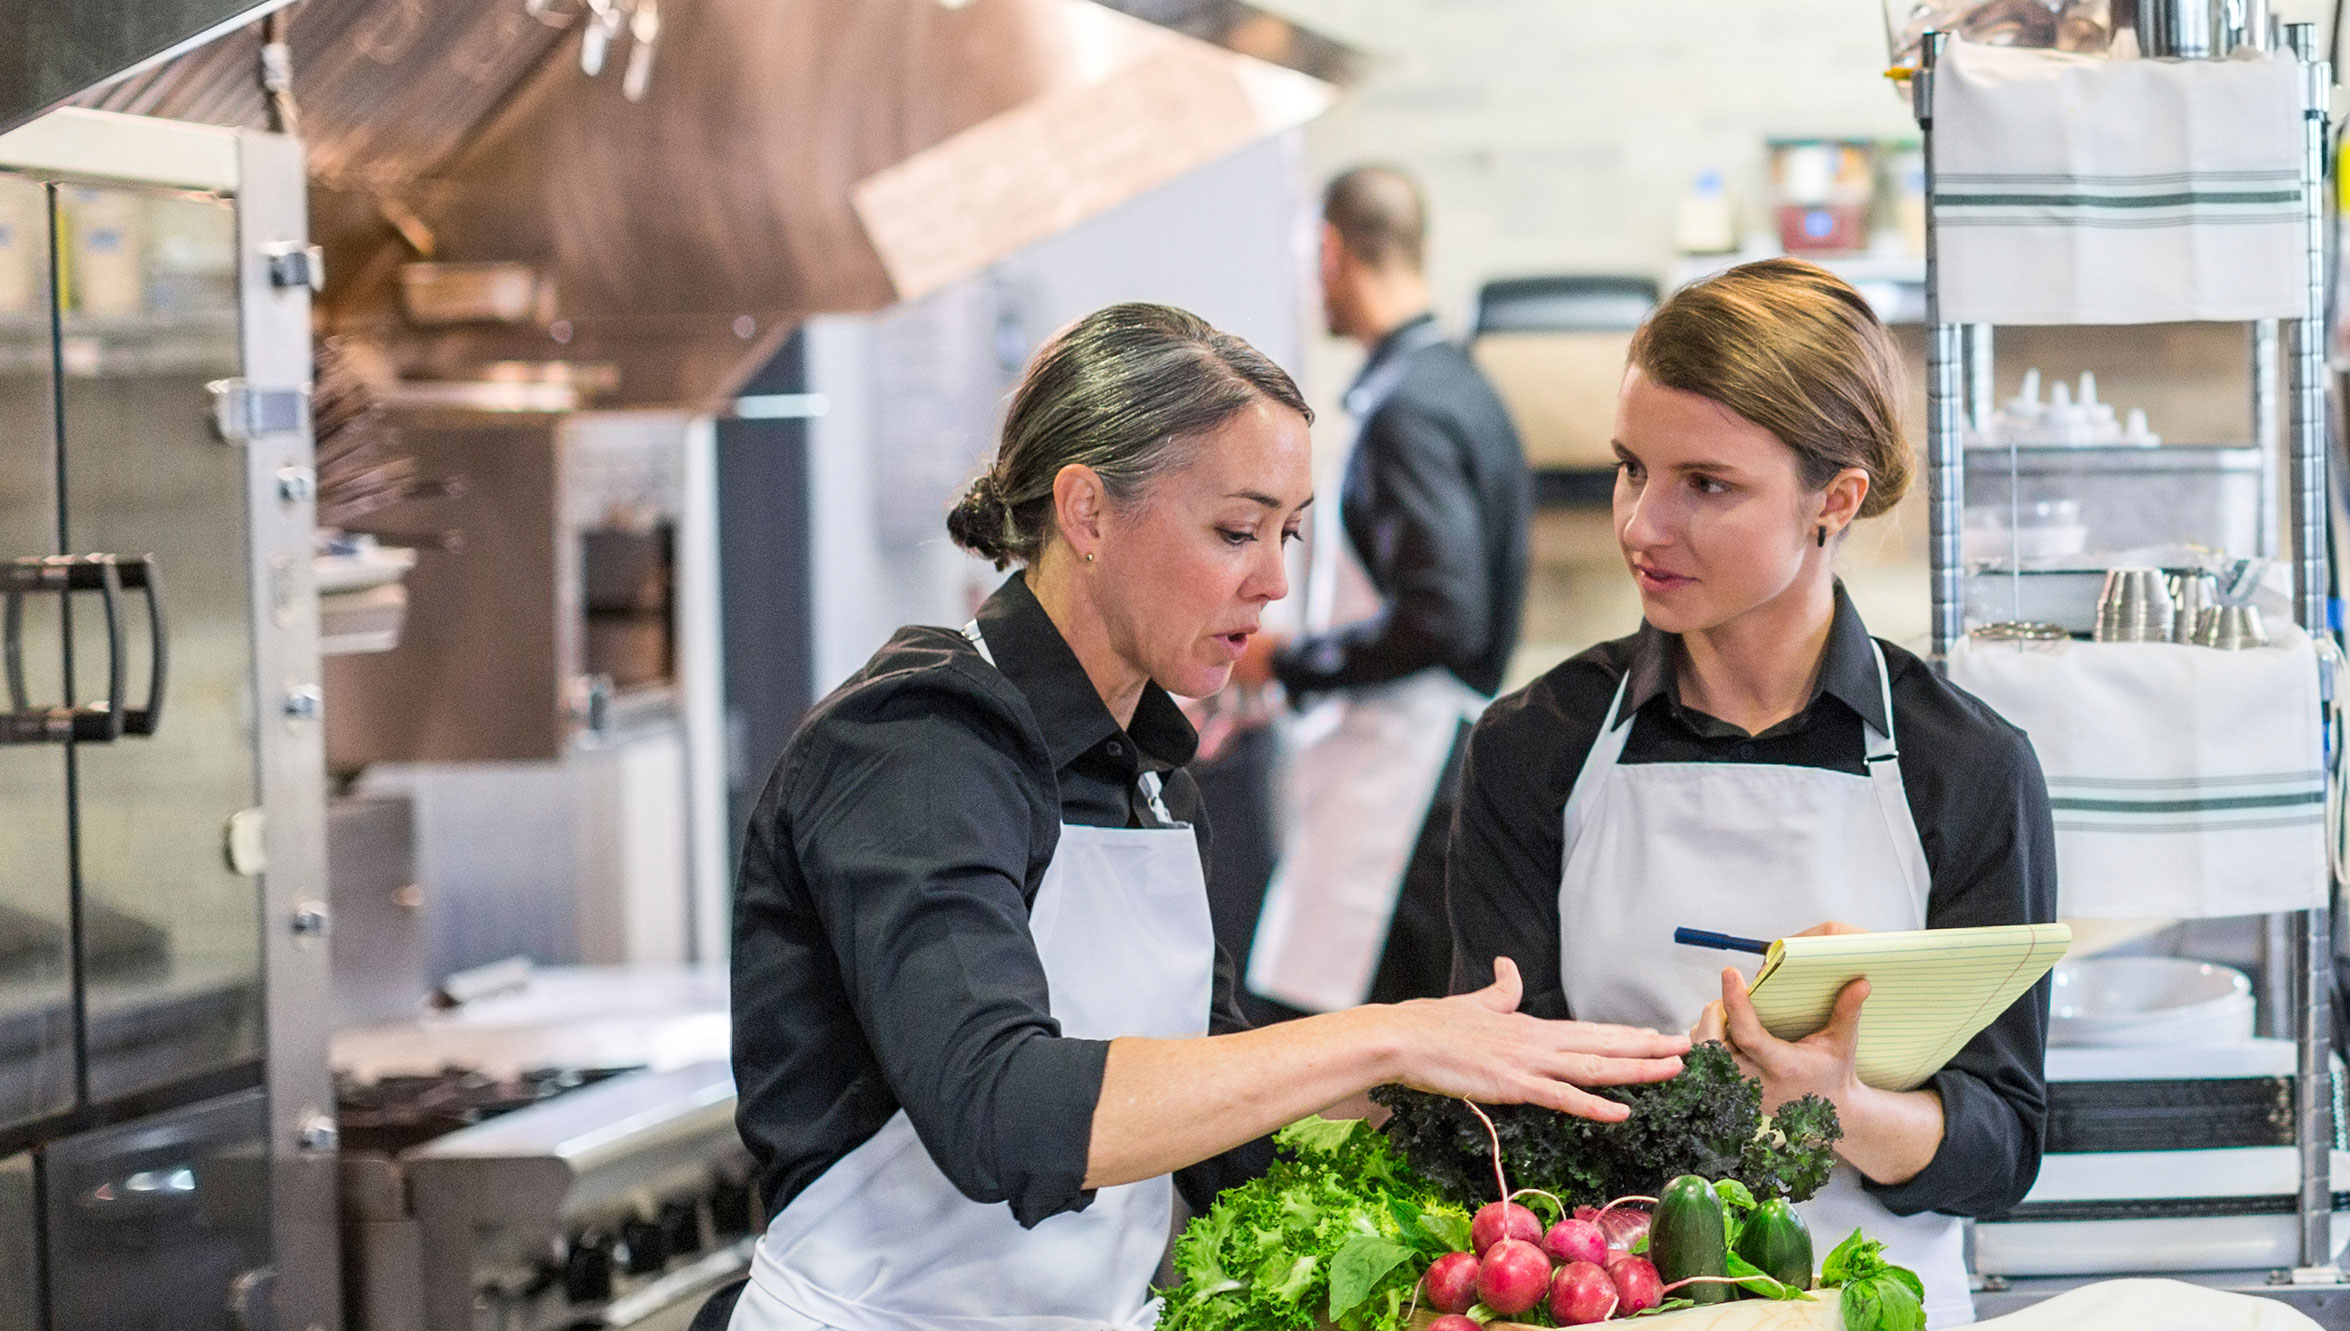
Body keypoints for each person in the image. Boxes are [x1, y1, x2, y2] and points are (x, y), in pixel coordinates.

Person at [709, 304, 1684, 1331]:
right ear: (1085, 511)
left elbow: (1230, 1129)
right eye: (1235, 529)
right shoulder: (916, 744)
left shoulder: (1151, 771)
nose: (1272, 583)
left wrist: (1501, 1104)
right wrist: (1382, 1037)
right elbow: (1001, 1110)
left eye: (1288, 532)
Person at [1441, 259, 2053, 1326]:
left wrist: (1839, 1108)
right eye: (1633, 469)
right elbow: (1491, 1115)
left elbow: (2000, 1144)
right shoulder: (1531, 747)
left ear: (1836, 498)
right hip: (1613, 1307)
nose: (1640, 524)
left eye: (1705, 485)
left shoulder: (1969, 766)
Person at [1230, 164, 1536, 1014]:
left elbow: (1442, 613)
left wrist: (1290, 662)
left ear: (1329, 251)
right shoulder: (1459, 387)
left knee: (1373, 1071)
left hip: (1404, 782)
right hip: (1414, 768)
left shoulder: (1407, 409)